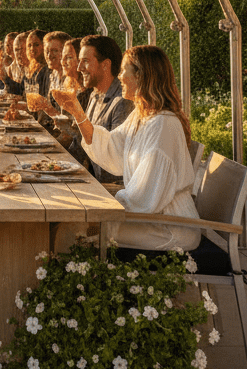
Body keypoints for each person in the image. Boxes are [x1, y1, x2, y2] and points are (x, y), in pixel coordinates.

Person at [60, 45, 199, 252]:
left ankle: (79, 272)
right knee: (75, 220)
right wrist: (77, 112)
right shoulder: (142, 116)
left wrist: (106, 201)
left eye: (123, 70)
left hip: (168, 225)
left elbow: (147, 196)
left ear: (141, 76)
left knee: (75, 229)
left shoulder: (163, 125)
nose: (119, 77)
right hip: (148, 215)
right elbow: (111, 148)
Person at [63, 35, 132, 178]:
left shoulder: (122, 102)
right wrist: (58, 166)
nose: (79, 68)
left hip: (109, 186)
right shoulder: (94, 95)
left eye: (85, 61)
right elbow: (82, 145)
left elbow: (116, 163)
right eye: (79, 61)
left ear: (105, 65)